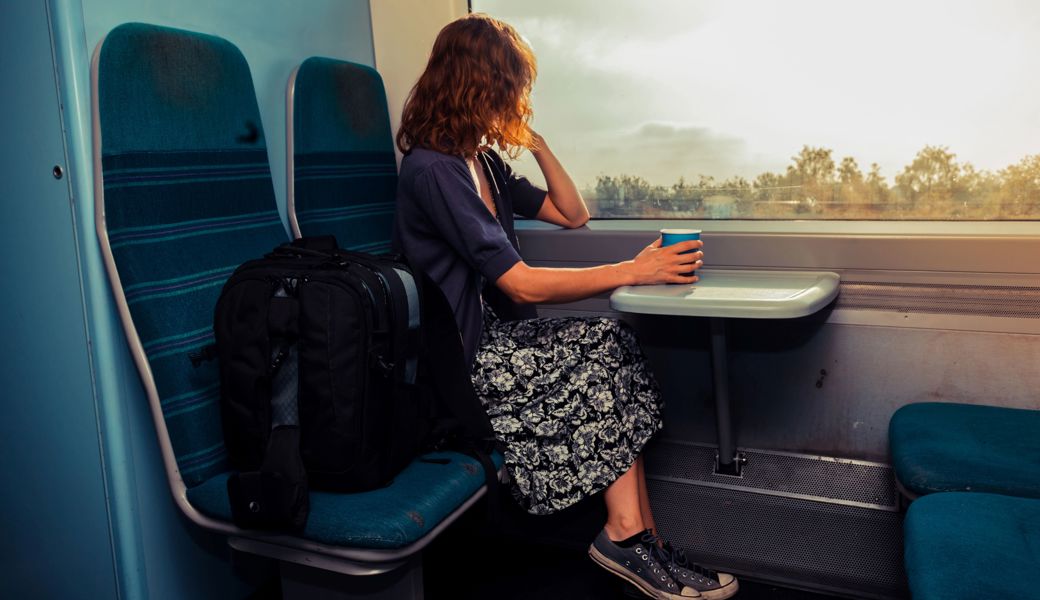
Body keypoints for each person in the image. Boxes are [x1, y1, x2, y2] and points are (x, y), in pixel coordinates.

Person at [392, 13, 738, 600]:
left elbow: (571, 212)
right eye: (513, 87)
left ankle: (643, 538)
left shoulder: (485, 164)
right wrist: (633, 270)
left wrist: (538, 145)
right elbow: (522, 285)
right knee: (601, 349)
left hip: (502, 341)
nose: (520, 100)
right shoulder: (433, 170)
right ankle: (626, 538)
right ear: (479, 84)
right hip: (466, 362)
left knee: (615, 339)